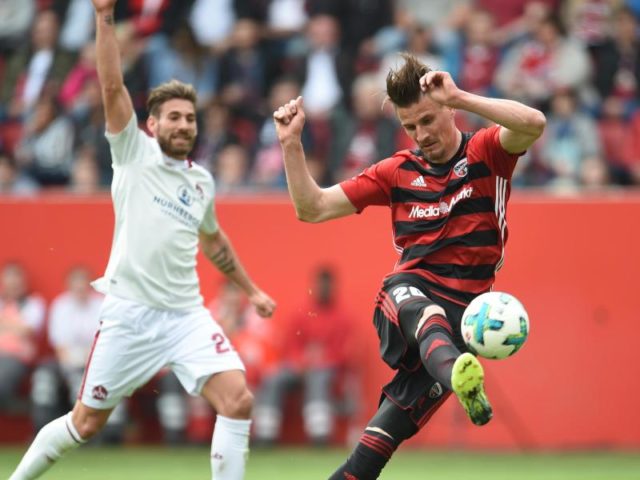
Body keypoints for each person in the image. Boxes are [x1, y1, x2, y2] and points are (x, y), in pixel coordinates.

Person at [9, 0, 276, 478]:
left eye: (190, 118)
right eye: (173, 117)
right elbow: (111, 85)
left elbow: (214, 243)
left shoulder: (202, 182)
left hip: (186, 315)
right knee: (84, 423)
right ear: (152, 124)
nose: (183, 125)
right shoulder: (132, 153)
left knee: (237, 400)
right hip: (130, 315)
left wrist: (251, 289)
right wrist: (105, 17)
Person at [273, 53, 545, 479]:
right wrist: (291, 145)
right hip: (405, 299)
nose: (422, 134)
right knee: (422, 306)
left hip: (463, 322)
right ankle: (456, 372)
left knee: (370, 455)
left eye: (428, 120)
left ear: (449, 109)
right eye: (410, 126)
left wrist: (461, 94)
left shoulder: (487, 151)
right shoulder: (396, 171)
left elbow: (533, 123)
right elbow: (313, 208)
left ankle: (455, 367)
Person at [253, 266, 354, 446]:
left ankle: (319, 434)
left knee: (319, 377)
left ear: (333, 287)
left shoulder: (343, 317)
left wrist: (320, 362)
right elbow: (290, 345)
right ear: (314, 285)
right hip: (298, 368)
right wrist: (301, 362)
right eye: (320, 285)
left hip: (327, 370)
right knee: (274, 377)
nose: (323, 289)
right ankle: (265, 433)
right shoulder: (302, 313)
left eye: (327, 285)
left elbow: (344, 352)